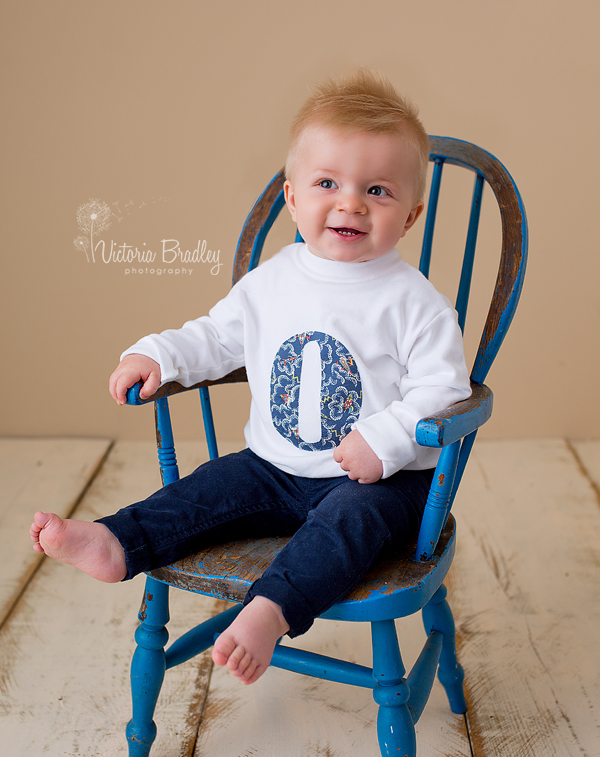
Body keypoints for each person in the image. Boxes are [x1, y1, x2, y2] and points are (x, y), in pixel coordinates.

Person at [30, 71, 471, 686]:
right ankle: (119, 542)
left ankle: (269, 609)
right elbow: (216, 336)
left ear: (412, 214)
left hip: (383, 482)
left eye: (377, 190)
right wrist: (159, 355)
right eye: (327, 183)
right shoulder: (273, 281)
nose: (350, 203)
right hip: (274, 467)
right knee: (205, 491)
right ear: (291, 199)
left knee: (349, 525)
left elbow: (444, 391)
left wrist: (390, 438)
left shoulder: (417, 303)